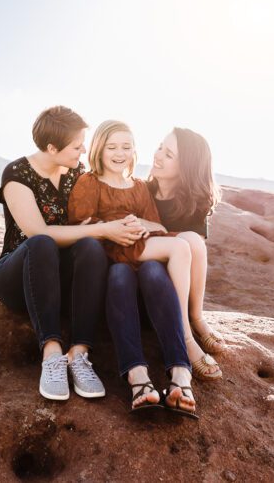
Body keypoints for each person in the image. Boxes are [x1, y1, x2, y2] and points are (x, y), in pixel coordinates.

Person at [0, 106, 146, 401]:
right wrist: (96, 229)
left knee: (89, 245)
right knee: (43, 243)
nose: (84, 150)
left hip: (60, 278)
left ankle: (79, 353)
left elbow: (96, 220)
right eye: (77, 146)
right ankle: (51, 354)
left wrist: (120, 224)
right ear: (51, 147)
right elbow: (38, 231)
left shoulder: (77, 174)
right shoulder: (17, 174)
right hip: (18, 276)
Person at [68, 120, 198, 417]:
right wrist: (110, 228)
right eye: (112, 147)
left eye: (126, 147)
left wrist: (140, 224)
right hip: (111, 251)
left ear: (134, 151)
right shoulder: (90, 182)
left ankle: (181, 373)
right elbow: (80, 225)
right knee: (165, 253)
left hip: (137, 249)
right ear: (99, 150)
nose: (119, 153)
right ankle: (138, 375)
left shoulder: (139, 187)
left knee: (164, 260)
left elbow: (158, 225)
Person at [140, 127, 224, 381]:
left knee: (192, 242)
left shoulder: (193, 200)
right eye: (159, 147)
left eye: (169, 154)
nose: (158, 155)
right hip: (146, 281)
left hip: (178, 284)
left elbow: (191, 253)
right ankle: (185, 337)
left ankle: (196, 316)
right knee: (183, 242)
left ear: (186, 166)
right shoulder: (140, 191)